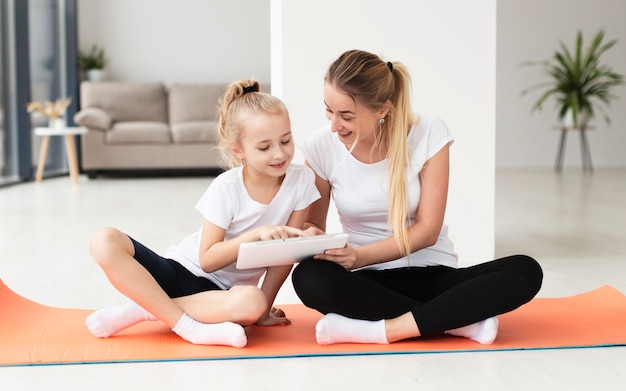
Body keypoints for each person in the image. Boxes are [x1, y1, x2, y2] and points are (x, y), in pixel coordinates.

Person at [291, 50, 543, 346]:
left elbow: (427, 230)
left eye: (346, 116)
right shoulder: (320, 146)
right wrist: (312, 238)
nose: (334, 125)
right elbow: (314, 225)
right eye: (328, 111)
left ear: (382, 110)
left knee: (525, 270)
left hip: (431, 274)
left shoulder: (428, 133)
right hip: (364, 280)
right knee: (308, 277)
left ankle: (382, 330)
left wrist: (359, 255)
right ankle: (451, 321)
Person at [86, 80, 320, 348]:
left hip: (222, 298)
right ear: (238, 150)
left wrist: (264, 310)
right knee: (103, 240)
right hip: (179, 272)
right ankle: (187, 326)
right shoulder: (227, 186)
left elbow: (284, 257)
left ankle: (146, 309)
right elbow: (208, 260)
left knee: (254, 302)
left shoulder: (301, 181)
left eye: (286, 140)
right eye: (264, 147)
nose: (279, 153)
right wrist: (253, 236)